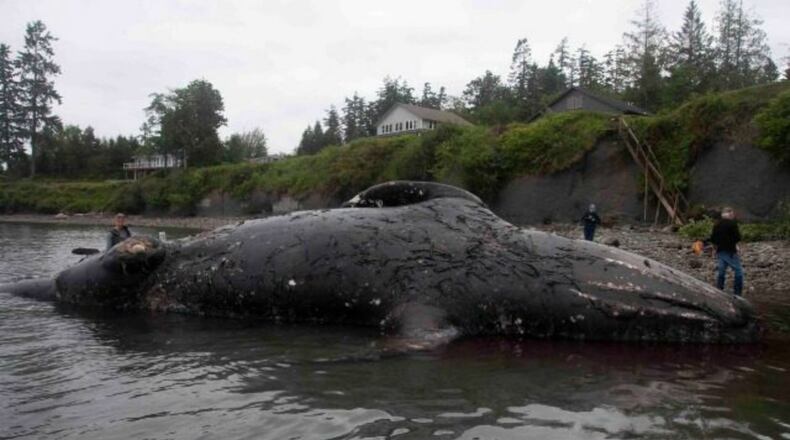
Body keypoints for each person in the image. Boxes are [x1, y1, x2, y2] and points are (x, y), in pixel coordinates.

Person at [709, 207, 743, 296]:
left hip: (720, 251)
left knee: (721, 272)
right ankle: (737, 293)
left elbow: (713, 239)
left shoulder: (716, 224)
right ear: (730, 213)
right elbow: (738, 238)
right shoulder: (732, 224)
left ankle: (719, 290)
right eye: (732, 214)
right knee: (739, 272)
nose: (733, 216)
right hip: (730, 251)